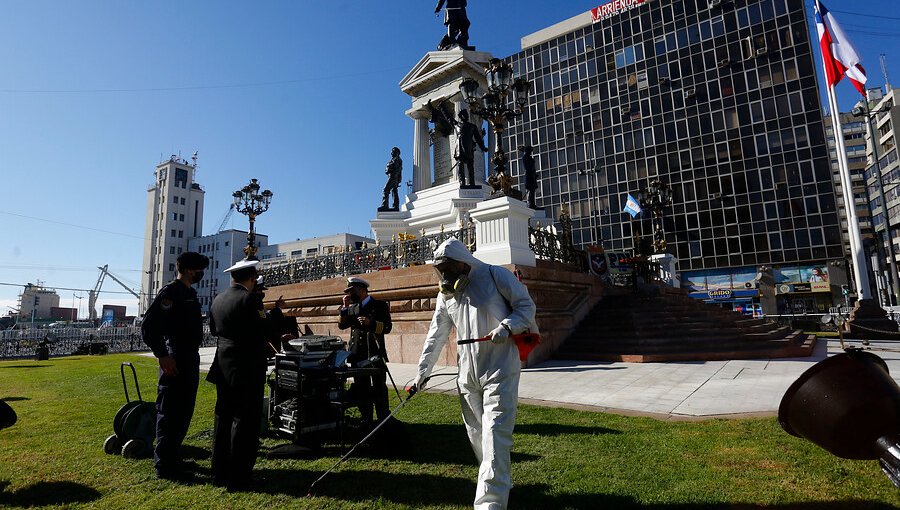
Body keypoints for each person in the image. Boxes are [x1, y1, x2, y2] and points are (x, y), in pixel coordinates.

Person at [414, 238, 538, 510]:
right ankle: (498, 478)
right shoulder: (446, 295)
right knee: (477, 434)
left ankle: (490, 503)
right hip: (467, 373)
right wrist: (422, 371)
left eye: (448, 268)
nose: (444, 275)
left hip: (500, 366)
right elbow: (436, 334)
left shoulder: (496, 275)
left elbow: (526, 307)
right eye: (440, 269)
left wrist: (508, 326)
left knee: (495, 432)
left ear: (463, 262)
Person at [141, 251, 209, 481]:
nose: (201, 274)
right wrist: (162, 355)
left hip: (189, 357)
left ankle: (173, 458)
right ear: (190, 270)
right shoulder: (171, 293)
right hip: (176, 358)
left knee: (183, 411)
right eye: (200, 270)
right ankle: (165, 465)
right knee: (170, 411)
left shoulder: (189, 293)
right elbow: (149, 327)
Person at [207, 258, 269, 491]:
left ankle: (219, 472)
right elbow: (262, 329)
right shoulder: (250, 299)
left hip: (223, 365)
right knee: (245, 421)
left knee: (223, 418)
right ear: (252, 279)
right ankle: (240, 476)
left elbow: (214, 330)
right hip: (247, 366)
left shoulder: (218, 299)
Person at [338, 276, 392, 427]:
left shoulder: (379, 305)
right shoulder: (352, 307)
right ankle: (366, 417)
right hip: (357, 354)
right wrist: (344, 308)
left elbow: (387, 327)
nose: (349, 294)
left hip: (374, 352)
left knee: (379, 387)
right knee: (362, 387)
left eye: (352, 291)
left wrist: (371, 323)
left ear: (362, 290)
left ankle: (383, 417)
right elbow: (342, 326)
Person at [455, 109, 488, 188]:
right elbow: (449, 118)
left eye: (466, 115)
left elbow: (478, 138)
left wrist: (483, 147)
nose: (466, 116)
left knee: (471, 167)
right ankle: (462, 183)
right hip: (459, 149)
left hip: (469, 148)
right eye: (464, 115)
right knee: (460, 166)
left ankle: (472, 183)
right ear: (461, 117)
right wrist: (442, 107)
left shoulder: (472, 126)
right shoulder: (456, 125)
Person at [380, 147, 403, 212]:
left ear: (397, 153)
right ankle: (395, 206)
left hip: (393, 177)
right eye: (392, 152)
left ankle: (385, 205)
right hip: (393, 176)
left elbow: (392, 167)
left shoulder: (397, 160)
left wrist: (388, 167)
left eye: (393, 152)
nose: (391, 153)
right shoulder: (395, 159)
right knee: (394, 191)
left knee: (385, 190)